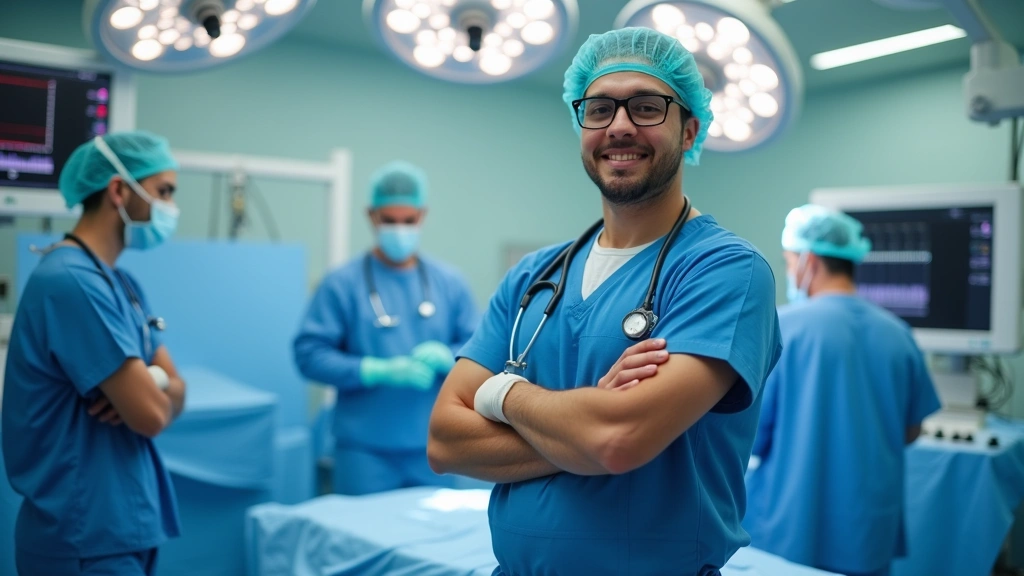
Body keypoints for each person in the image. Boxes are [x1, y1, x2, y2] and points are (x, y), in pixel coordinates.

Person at [427, 28, 782, 576]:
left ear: (689, 130)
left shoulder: (724, 270)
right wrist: (583, 427)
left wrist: (504, 393)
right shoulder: (534, 276)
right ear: (581, 127)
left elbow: (617, 441)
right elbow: (446, 441)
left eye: (646, 107)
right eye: (598, 109)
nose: (619, 125)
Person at [2, 131, 186, 576]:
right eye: (163, 191)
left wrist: (153, 382)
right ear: (119, 190)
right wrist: (150, 388)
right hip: (84, 534)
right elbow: (152, 417)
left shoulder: (122, 284)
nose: (170, 207)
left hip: (122, 526)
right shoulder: (72, 282)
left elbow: (176, 390)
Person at [743, 204, 942, 576]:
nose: (790, 271)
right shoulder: (897, 333)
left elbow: (751, 434)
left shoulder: (783, 327)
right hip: (866, 532)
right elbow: (911, 431)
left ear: (809, 261)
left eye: (789, 262)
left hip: (791, 526)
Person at [293, 161, 479, 495]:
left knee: (432, 542)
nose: (399, 229)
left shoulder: (449, 283)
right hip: (364, 450)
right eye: (389, 221)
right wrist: (374, 370)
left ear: (423, 216)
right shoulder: (342, 284)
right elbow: (308, 355)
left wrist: (448, 356)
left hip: (435, 445)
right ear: (371, 216)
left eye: (408, 221)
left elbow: (480, 350)